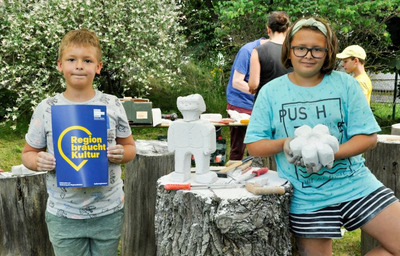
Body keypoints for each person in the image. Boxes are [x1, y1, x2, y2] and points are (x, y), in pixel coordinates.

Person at [244, 17, 400, 255]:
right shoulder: (270, 92)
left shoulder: (346, 85)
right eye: (301, 48)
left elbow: (368, 138)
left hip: (357, 185)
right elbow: (254, 145)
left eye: (317, 49)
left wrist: (331, 153)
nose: (308, 55)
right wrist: (285, 144)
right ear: (289, 49)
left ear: (328, 53)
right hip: (307, 198)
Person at [22, 28, 136, 256]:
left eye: (87, 60)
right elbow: (28, 153)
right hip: (64, 214)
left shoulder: (112, 104)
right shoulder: (47, 108)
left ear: (98, 67)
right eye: (72, 59)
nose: (79, 66)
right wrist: (38, 161)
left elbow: (130, 147)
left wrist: (120, 154)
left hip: (108, 210)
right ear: (60, 65)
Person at [226, 34, 268, 160]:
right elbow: (237, 82)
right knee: (237, 149)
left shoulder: (276, 52)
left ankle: (254, 175)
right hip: (240, 104)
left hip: (259, 105)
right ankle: (232, 176)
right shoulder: (247, 51)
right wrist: (263, 93)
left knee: (257, 149)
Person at [248, 11, 291, 100]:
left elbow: (253, 85)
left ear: (268, 29)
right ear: (287, 30)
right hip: (289, 102)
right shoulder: (295, 51)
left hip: (265, 101)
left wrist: (252, 88)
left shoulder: (258, 51)